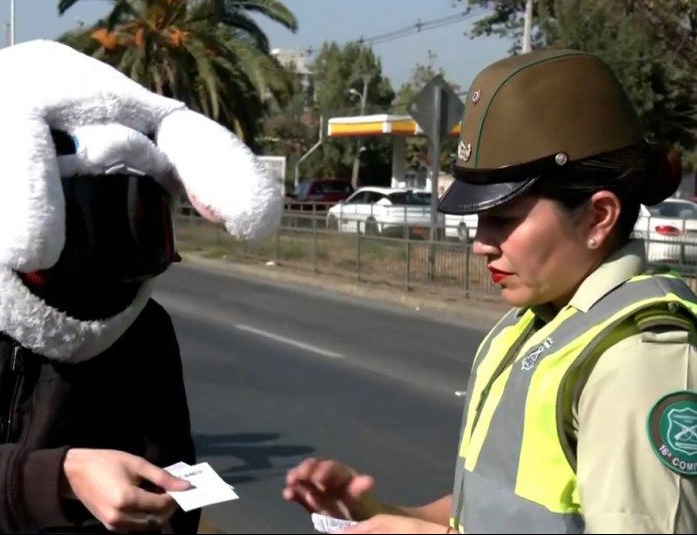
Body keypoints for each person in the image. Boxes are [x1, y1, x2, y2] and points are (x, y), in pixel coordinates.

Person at [0, 40, 281, 533]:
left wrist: (153, 505)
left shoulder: (142, 329)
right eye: (68, 226)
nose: (93, 274)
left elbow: (168, 496)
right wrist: (59, 478)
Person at [282, 48, 697, 534]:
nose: (481, 243)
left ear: (598, 217)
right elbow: (487, 514)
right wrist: (378, 513)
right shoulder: (537, 322)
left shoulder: (640, 359)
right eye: (479, 220)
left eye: (503, 219)